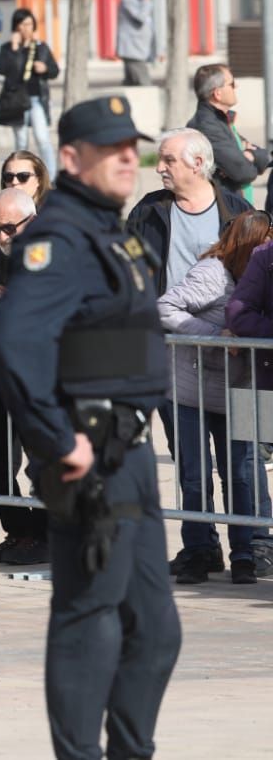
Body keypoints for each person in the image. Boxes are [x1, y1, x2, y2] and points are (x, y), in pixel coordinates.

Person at [0, 95, 180, 760]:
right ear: (71, 159)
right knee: (88, 620)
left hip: (131, 451)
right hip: (90, 455)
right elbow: (15, 345)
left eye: (134, 146)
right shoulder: (60, 238)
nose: (130, 158)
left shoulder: (109, 227)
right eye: (111, 148)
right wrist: (55, 438)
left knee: (156, 631)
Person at [162, 209, 272, 585]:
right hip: (193, 392)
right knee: (195, 478)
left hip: (236, 390)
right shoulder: (213, 273)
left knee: (239, 477)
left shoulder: (256, 273)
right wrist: (213, 335)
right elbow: (165, 306)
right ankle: (197, 550)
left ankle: (243, 553)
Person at [0, 187, 50, 563]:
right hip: (4, 369)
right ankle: (21, 530)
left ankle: (51, 536)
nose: (1, 236)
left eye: (9, 228)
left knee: (43, 462)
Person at [126, 127, 250, 296]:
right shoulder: (147, 209)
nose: (159, 168)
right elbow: (129, 258)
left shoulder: (239, 211)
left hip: (222, 320)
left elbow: (254, 276)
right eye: (159, 160)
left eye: (169, 160)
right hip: (162, 319)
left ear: (197, 164)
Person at [185, 64, 268, 204]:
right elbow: (243, 172)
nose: (237, 87)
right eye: (232, 84)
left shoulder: (221, 120)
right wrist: (245, 155)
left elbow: (263, 157)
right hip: (226, 215)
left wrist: (249, 155)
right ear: (218, 93)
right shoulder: (207, 127)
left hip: (239, 209)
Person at [0, 8, 59, 166]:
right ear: (16, 27)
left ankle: (51, 178)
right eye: (22, 24)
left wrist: (45, 69)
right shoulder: (8, 48)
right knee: (21, 142)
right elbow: (2, 69)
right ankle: (20, 175)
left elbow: (54, 71)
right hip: (17, 100)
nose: (26, 28)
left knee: (43, 139)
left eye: (29, 24)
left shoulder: (41, 47)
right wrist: (15, 50)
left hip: (36, 98)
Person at [116, 0, 155, 87]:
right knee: (145, 85)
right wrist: (146, 0)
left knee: (132, 85)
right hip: (133, 51)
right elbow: (140, 18)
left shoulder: (141, 1)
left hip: (139, 51)